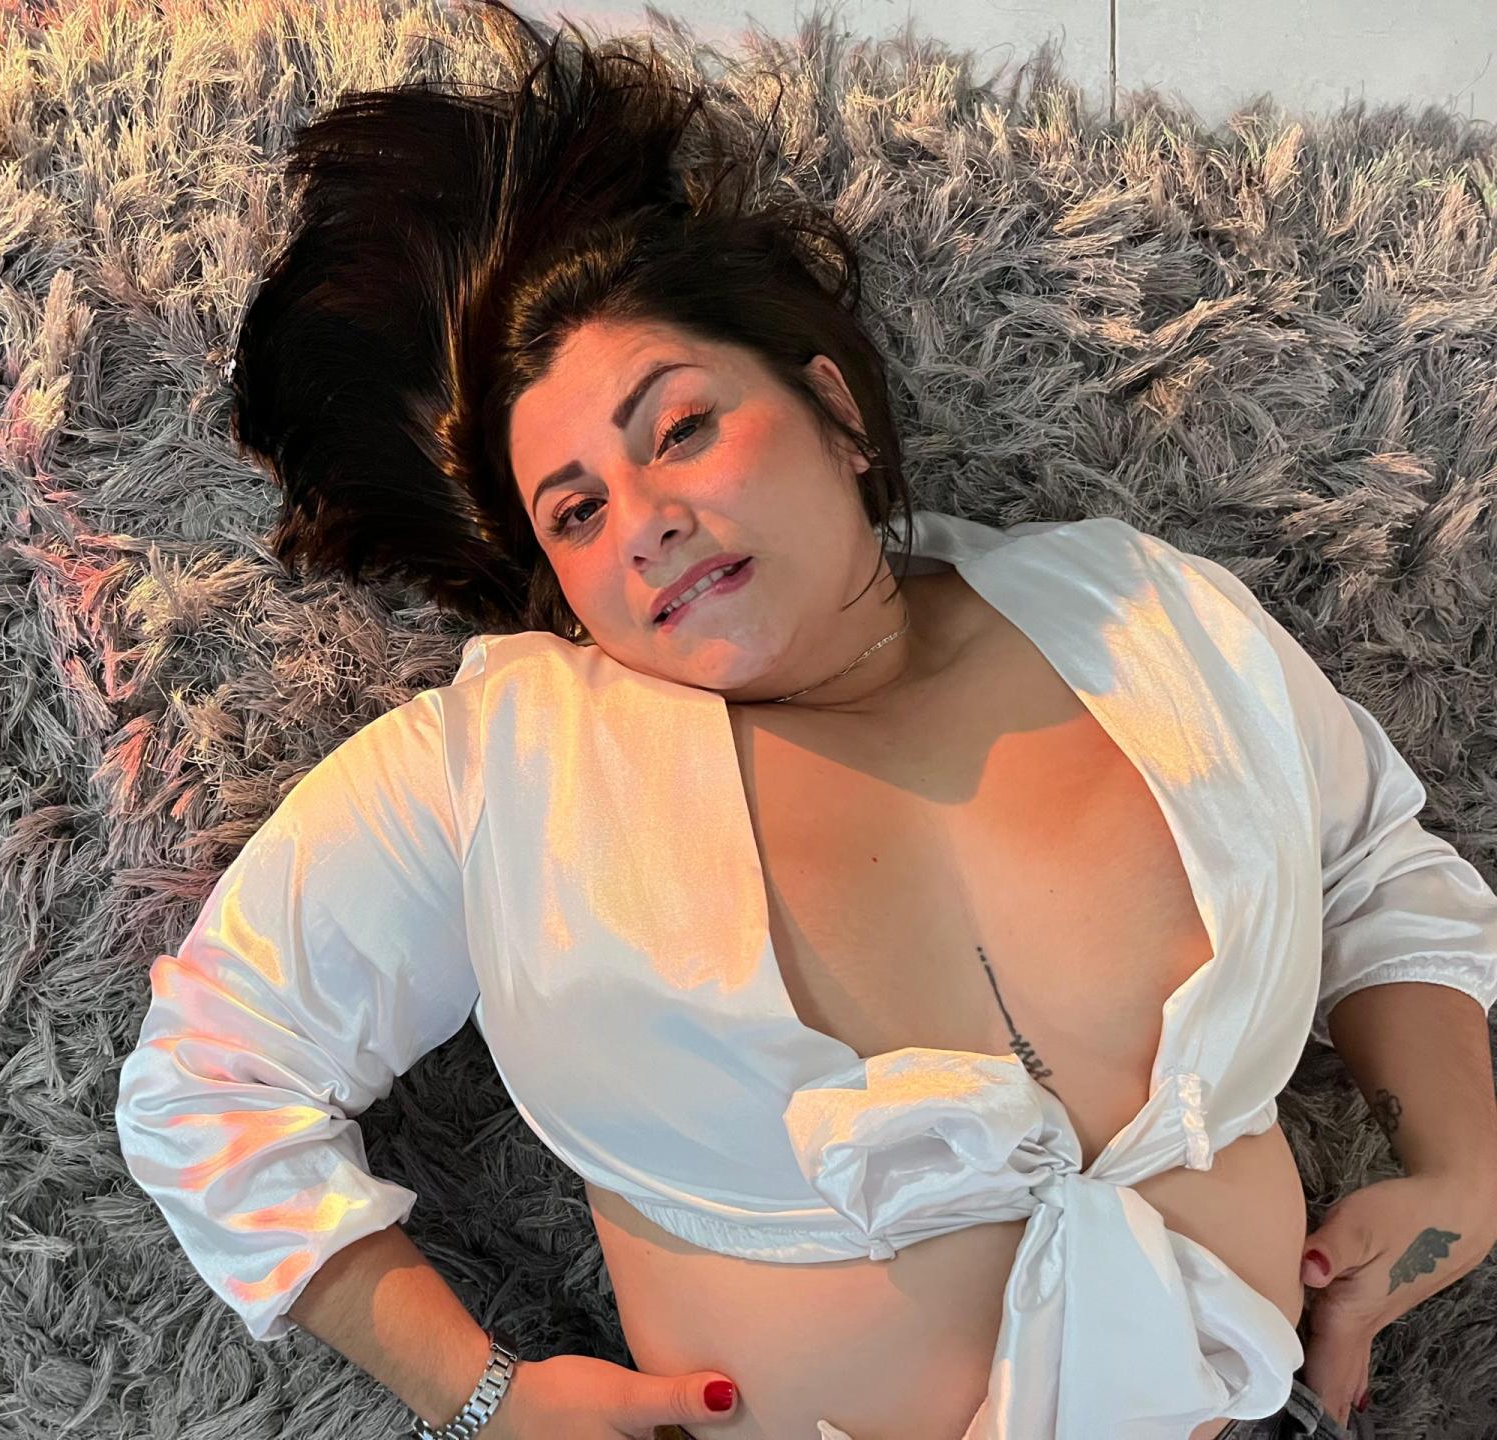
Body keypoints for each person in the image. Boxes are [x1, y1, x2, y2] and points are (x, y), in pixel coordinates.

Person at [115, 4, 1497, 1437]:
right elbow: (209, 1083)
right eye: (576, 513)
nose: (644, 522)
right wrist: (482, 1401)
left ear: (834, 411)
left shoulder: (1142, 615)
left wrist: (1462, 1171)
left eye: (681, 428)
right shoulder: (497, 767)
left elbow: (1374, 869)